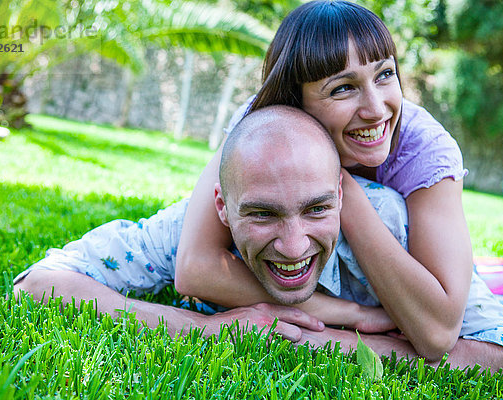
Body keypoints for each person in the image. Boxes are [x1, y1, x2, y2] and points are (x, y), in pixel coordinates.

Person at [13, 106, 503, 385]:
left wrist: (330, 342)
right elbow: (36, 285)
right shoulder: (185, 230)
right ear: (222, 207)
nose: (293, 247)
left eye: (316, 209)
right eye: (263, 214)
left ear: (342, 196)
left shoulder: (394, 229)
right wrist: (207, 328)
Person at [174, 0, 482, 364]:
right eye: (343, 88)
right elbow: (194, 267)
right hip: (343, 291)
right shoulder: (262, 126)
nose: (376, 108)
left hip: (408, 271)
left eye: (385, 74)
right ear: (295, 101)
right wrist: (351, 315)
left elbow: (437, 333)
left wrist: (345, 192)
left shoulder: (425, 150)